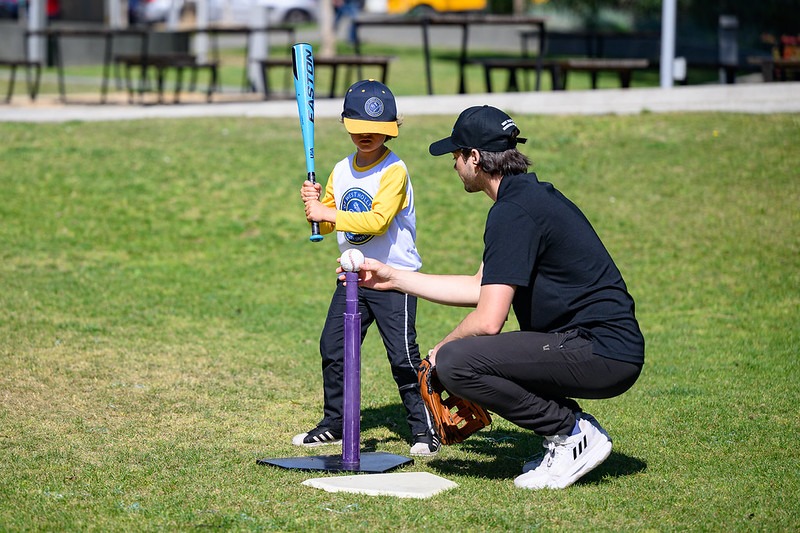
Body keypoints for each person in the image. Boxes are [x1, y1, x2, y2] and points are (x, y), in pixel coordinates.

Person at [353, 105, 645, 488]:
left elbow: (490, 320)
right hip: (596, 346)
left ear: (475, 158)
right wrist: (393, 277)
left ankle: (571, 432)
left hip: (601, 350)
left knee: (457, 363)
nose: (454, 164)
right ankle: (566, 432)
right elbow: (480, 287)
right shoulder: (525, 199)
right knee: (461, 358)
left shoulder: (514, 211)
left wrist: (442, 349)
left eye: (456, 155)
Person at [297, 79, 439, 457]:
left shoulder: (395, 170)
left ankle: (424, 429)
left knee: (402, 357)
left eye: (377, 130)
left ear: (391, 129)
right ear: (346, 125)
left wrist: (327, 211)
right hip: (354, 279)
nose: (368, 136)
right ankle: (335, 423)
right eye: (360, 129)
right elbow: (328, 225)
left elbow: (376, 220)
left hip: (395, 279)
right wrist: (315, 208)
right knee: (334, 348)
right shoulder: (341, 170)